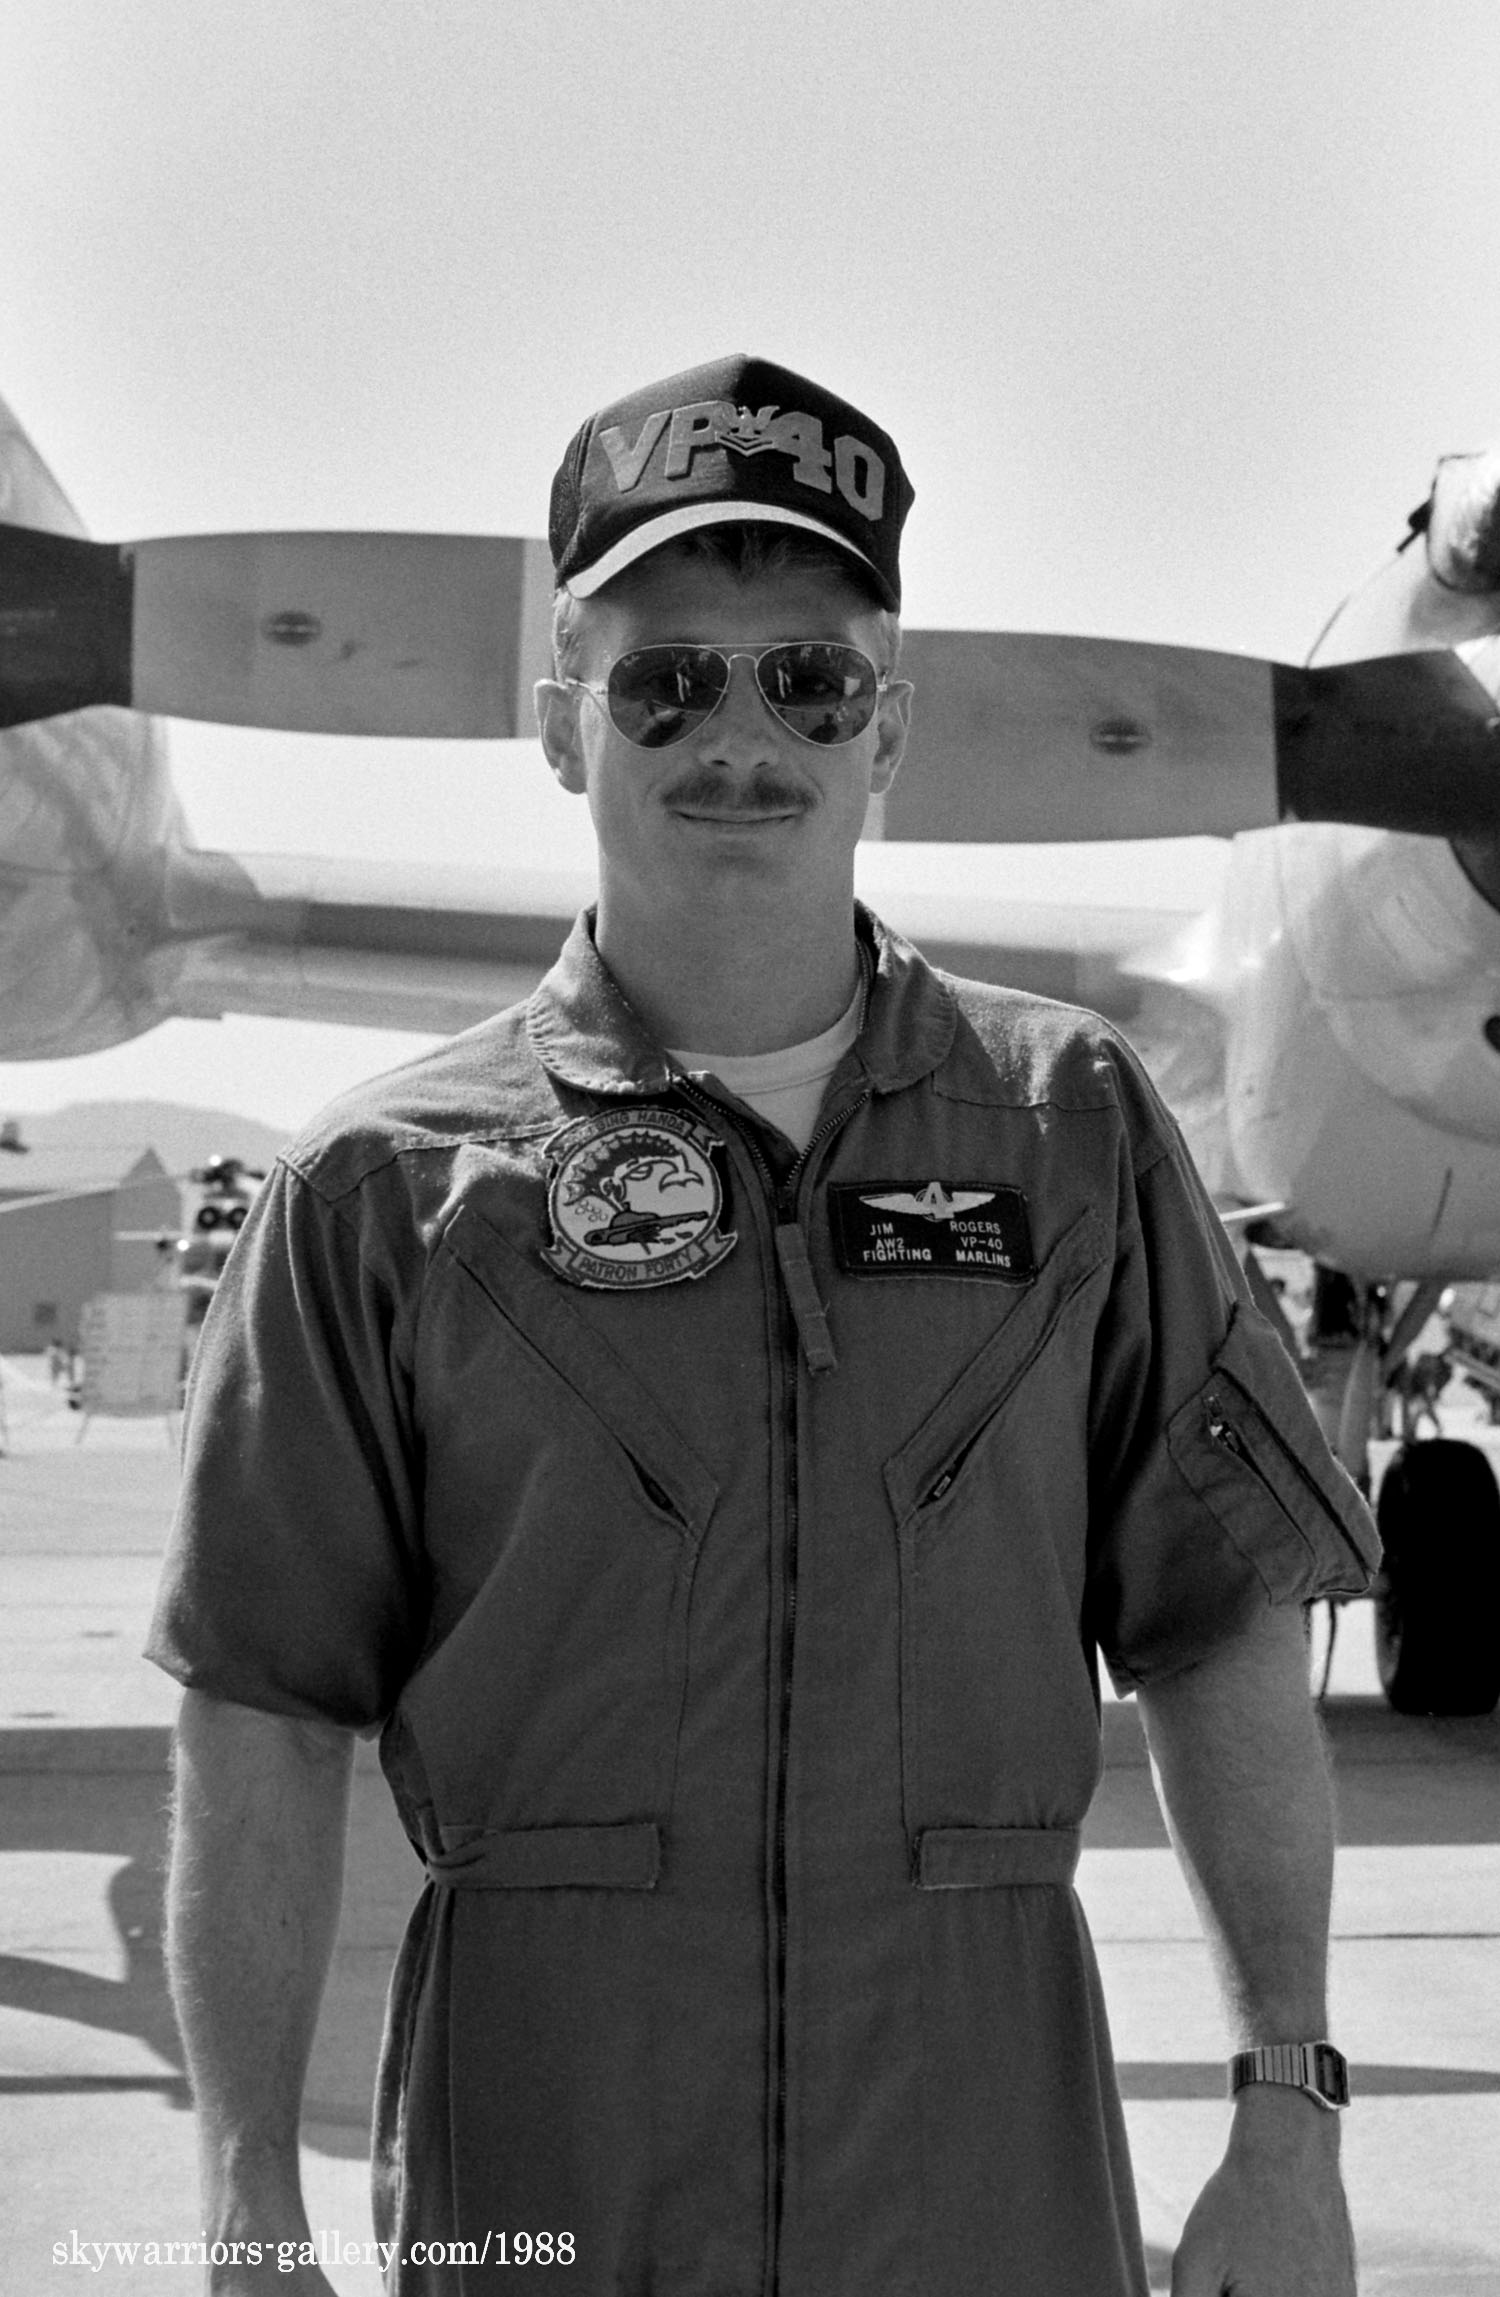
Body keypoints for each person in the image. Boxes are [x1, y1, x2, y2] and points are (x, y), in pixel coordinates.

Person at [149, 354, 1378, 2296]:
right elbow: (262, 1709)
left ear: (893, 728)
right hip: (543, 2184)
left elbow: (1217, 1629)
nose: (742, 737)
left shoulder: (1071, 1132)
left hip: (986, 2187)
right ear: (560, 724)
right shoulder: (385, 1192)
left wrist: (1286, 2117)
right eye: (666, 681)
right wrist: (244, 2201)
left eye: (810, 678)